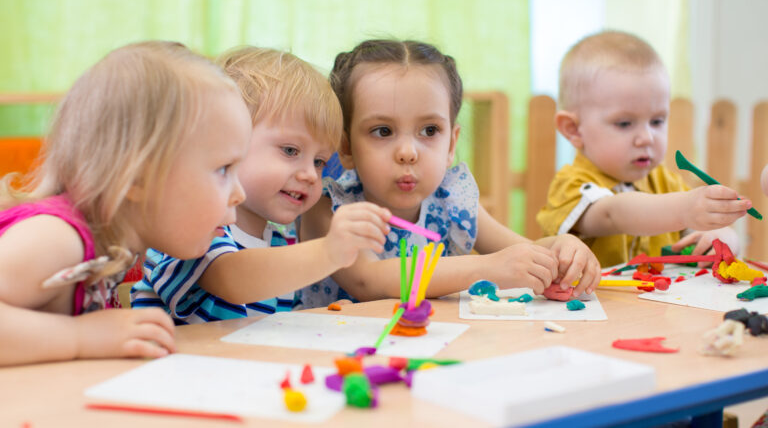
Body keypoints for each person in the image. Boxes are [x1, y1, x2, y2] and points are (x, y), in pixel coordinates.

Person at [0, 41, 252, 366]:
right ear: (137, 179)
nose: (240, 193)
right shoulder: (56, 237)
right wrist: (82, 337)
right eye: (223, 169)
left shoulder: (118, 248)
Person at [301, 39, 601, 302]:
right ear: (347, 147)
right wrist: (487, 268)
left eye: (429, 130)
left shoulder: (453, 202)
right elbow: (370, 279)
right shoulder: (329, 208)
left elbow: (522, 250)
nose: (408, 152)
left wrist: (562, 249)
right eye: (382, 131)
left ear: (450, 145)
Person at [131, 47, 391, 323]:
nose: (310, 175)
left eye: (319, 161)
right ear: (226, 141)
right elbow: (232, 280)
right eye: (290, 151)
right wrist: (328, 251)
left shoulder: (281, 242)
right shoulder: (194, 229)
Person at [537, 30, 750, 268]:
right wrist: (685, 208)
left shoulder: (665, 183)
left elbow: (698, 225)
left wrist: (724, 237)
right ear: (573, 129)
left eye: (657, 121)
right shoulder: (570, 185)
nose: (647, 137)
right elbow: (612, 214)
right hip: (593, 304)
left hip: (659, 304)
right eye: (624, 123)